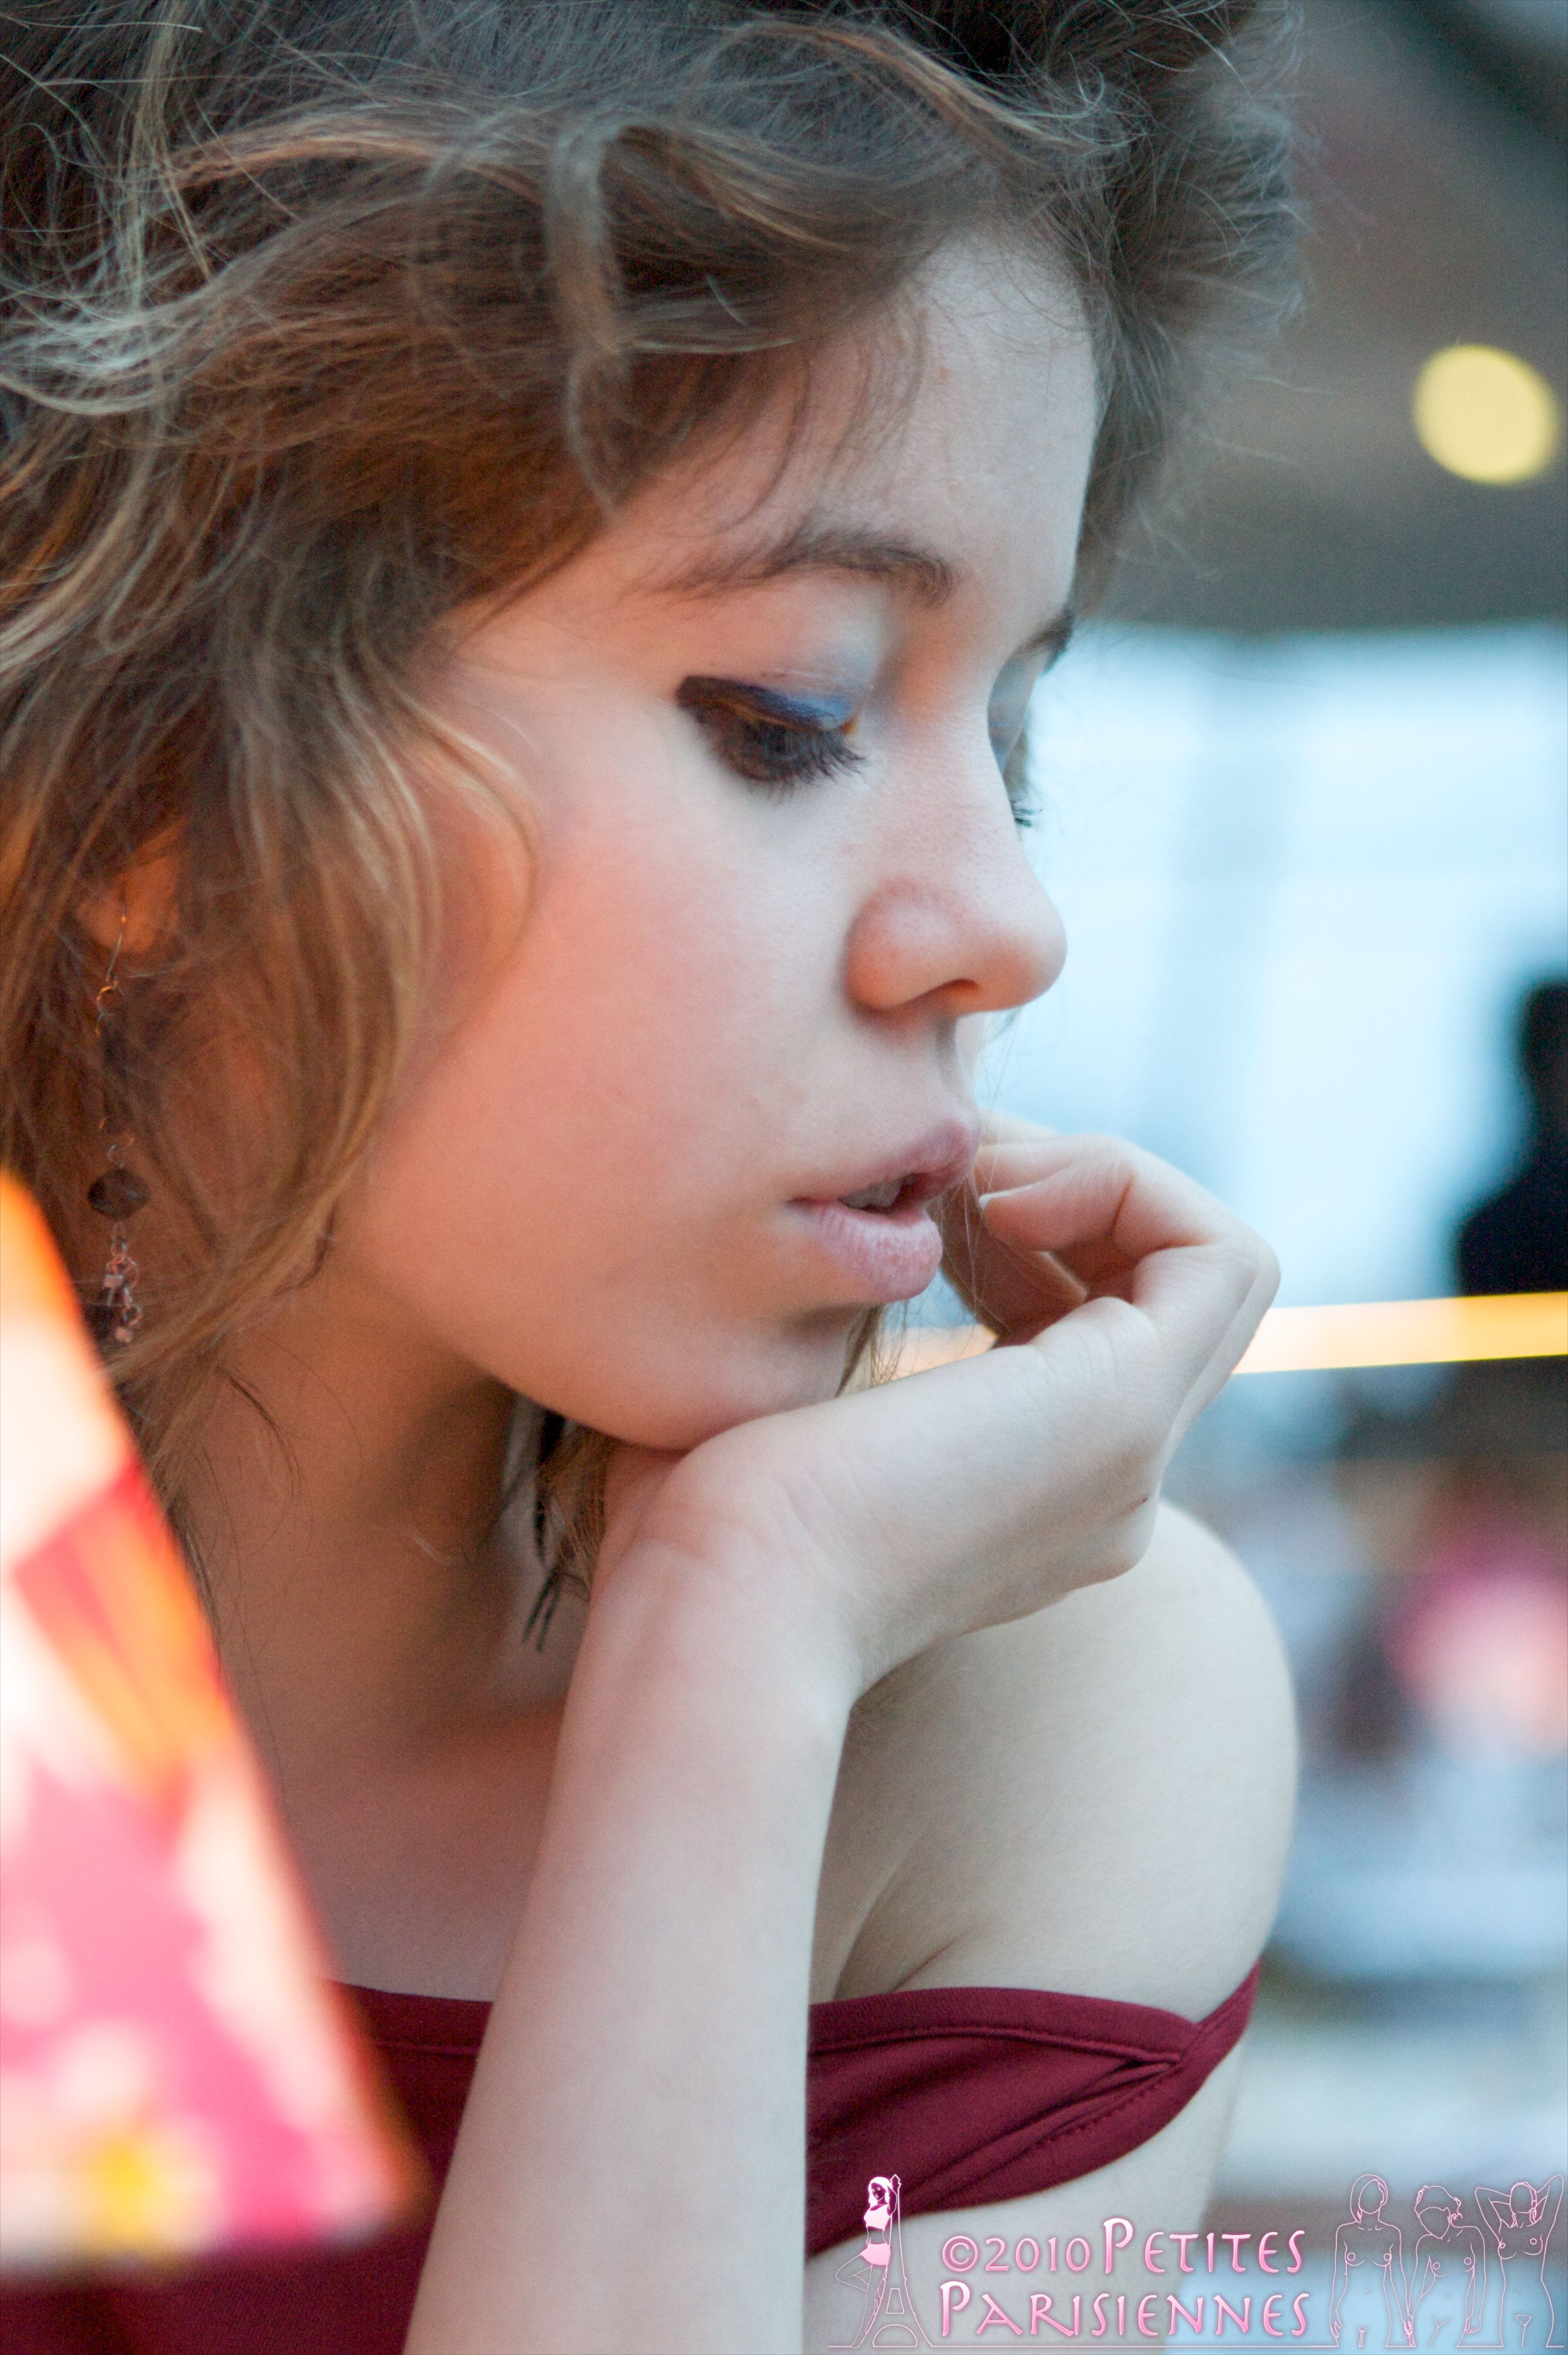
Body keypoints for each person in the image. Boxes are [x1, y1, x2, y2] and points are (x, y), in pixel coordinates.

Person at [0, 3, 1298, 2349]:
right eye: (790, 716)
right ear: (149, 784)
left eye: (1013, 737)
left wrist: (741, 1640)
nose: (1007, 920)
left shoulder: (1038, 1704)